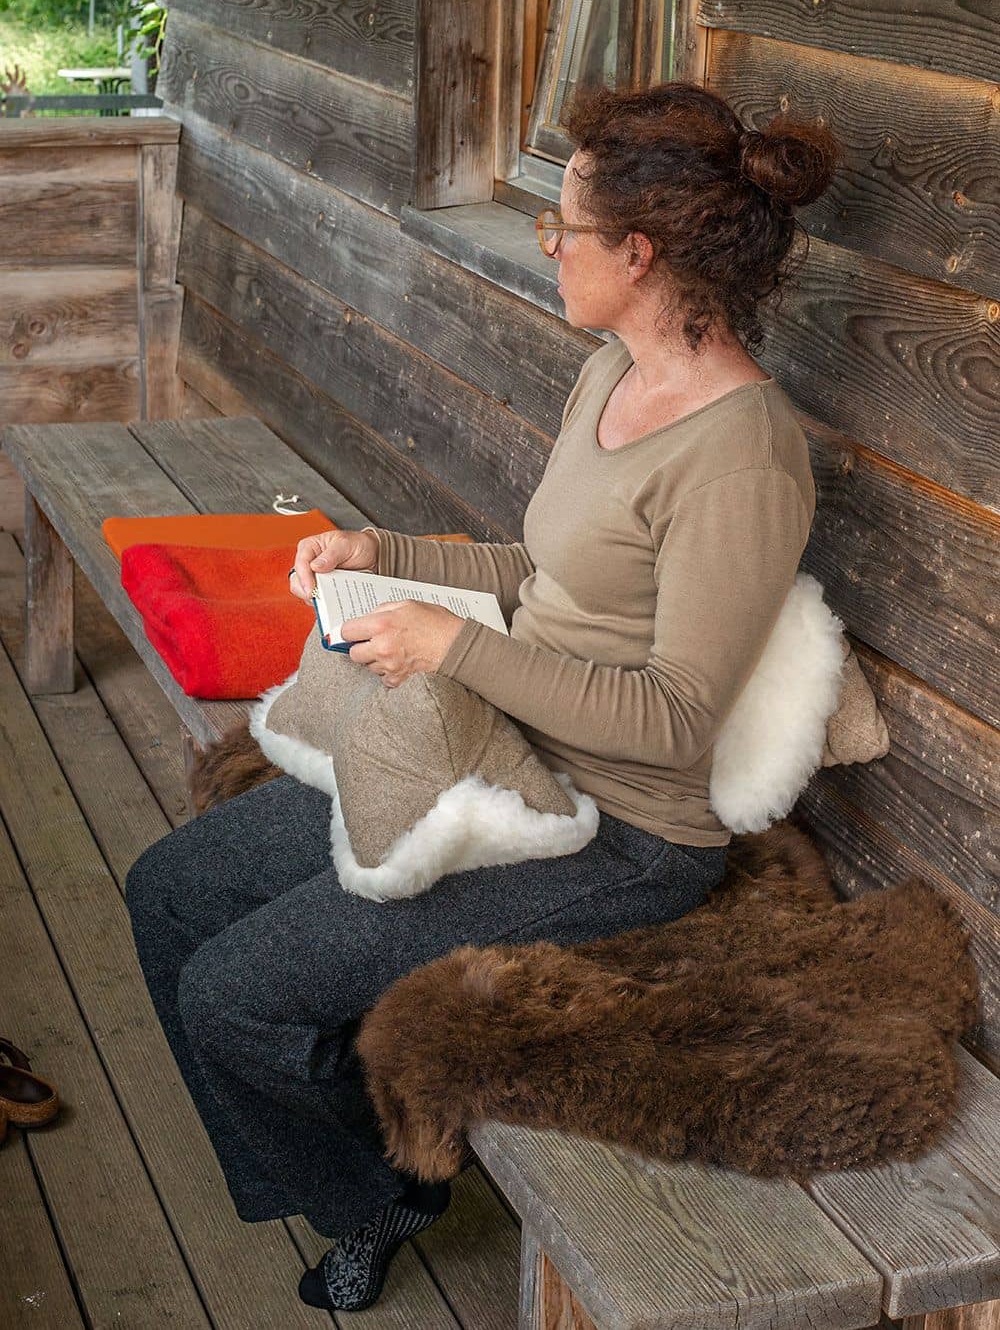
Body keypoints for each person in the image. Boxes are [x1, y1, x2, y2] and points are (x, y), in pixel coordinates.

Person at [124, 81, 838, 1314]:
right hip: (496, 743)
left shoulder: (743, 457)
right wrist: (381, 553)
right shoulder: (608, 375)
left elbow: (674, 720)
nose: (545, 247)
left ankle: (385, 1191)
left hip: (617, 827)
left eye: (562, 226)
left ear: (639, 251)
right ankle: (363, 1177)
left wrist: (455, 652)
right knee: (170, 893)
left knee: (233, 992)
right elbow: (545, 578)